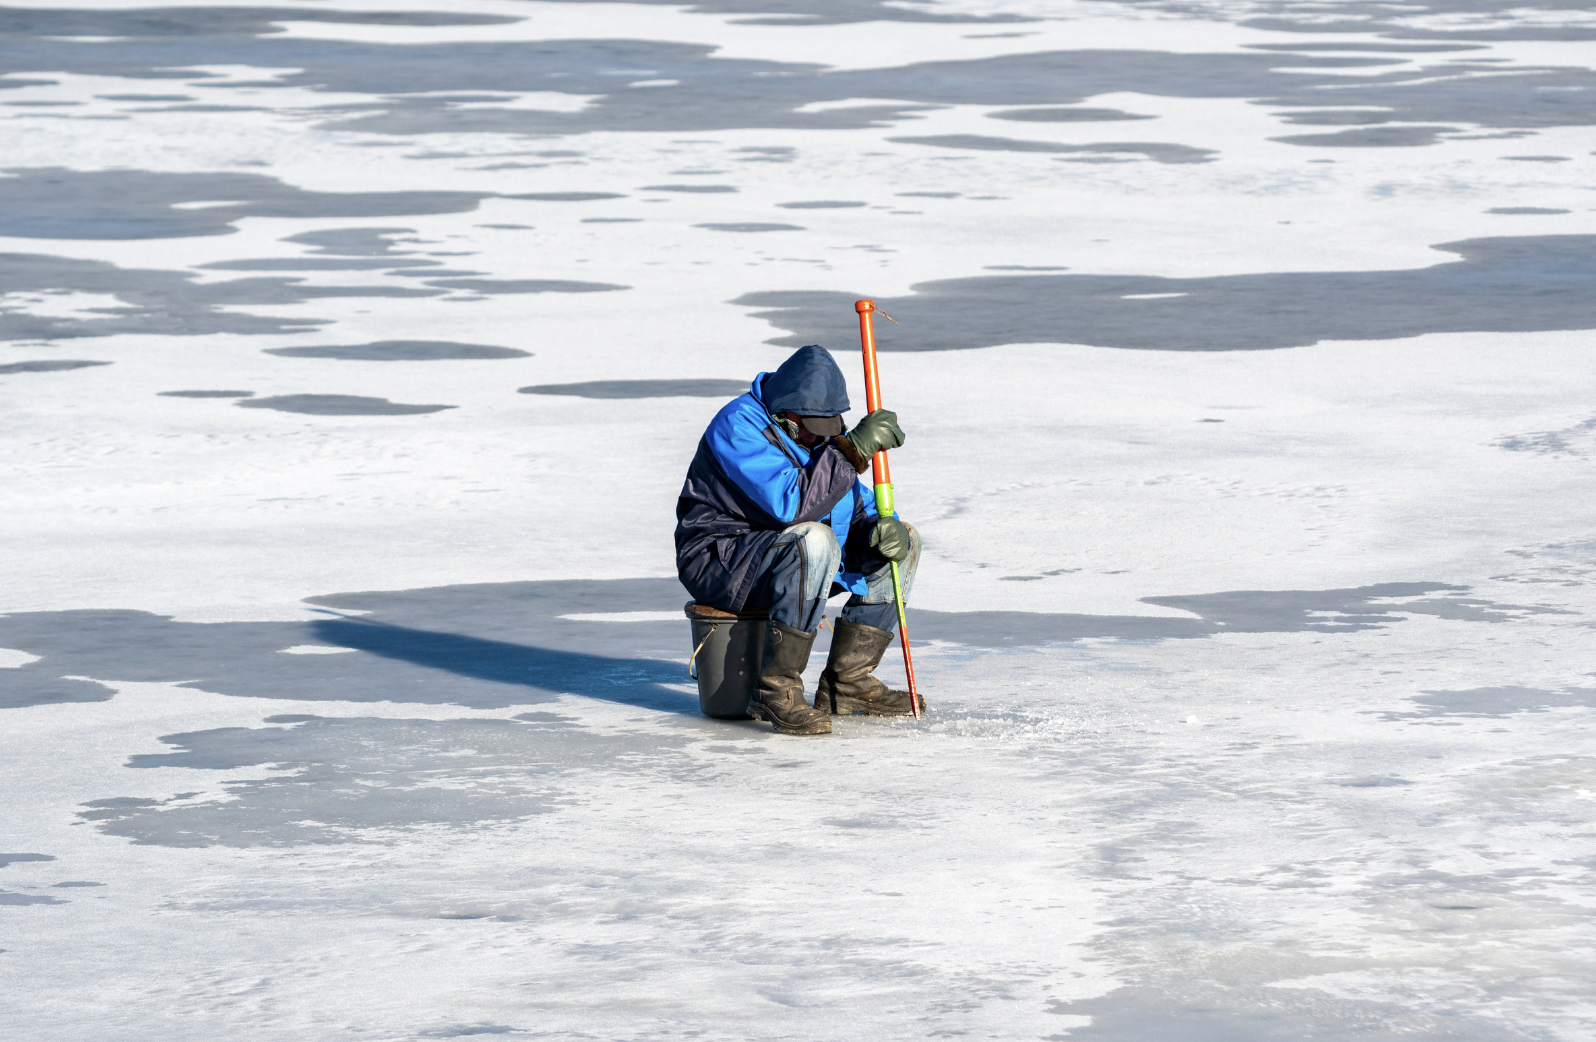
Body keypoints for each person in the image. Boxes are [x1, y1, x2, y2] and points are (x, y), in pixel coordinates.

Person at [675, 344, 922, 736]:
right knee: (814, 540)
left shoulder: (819, 437)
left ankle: (848, 683)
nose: (814, 437)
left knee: (903, 542)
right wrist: (853, 451)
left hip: (788, 553)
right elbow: (791, 504)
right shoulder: (738, 426)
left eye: (826, 430)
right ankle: (777, 689)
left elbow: (847, 502)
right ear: (784, 409)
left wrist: (876, 526)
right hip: (721, 559)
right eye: (807, 426)